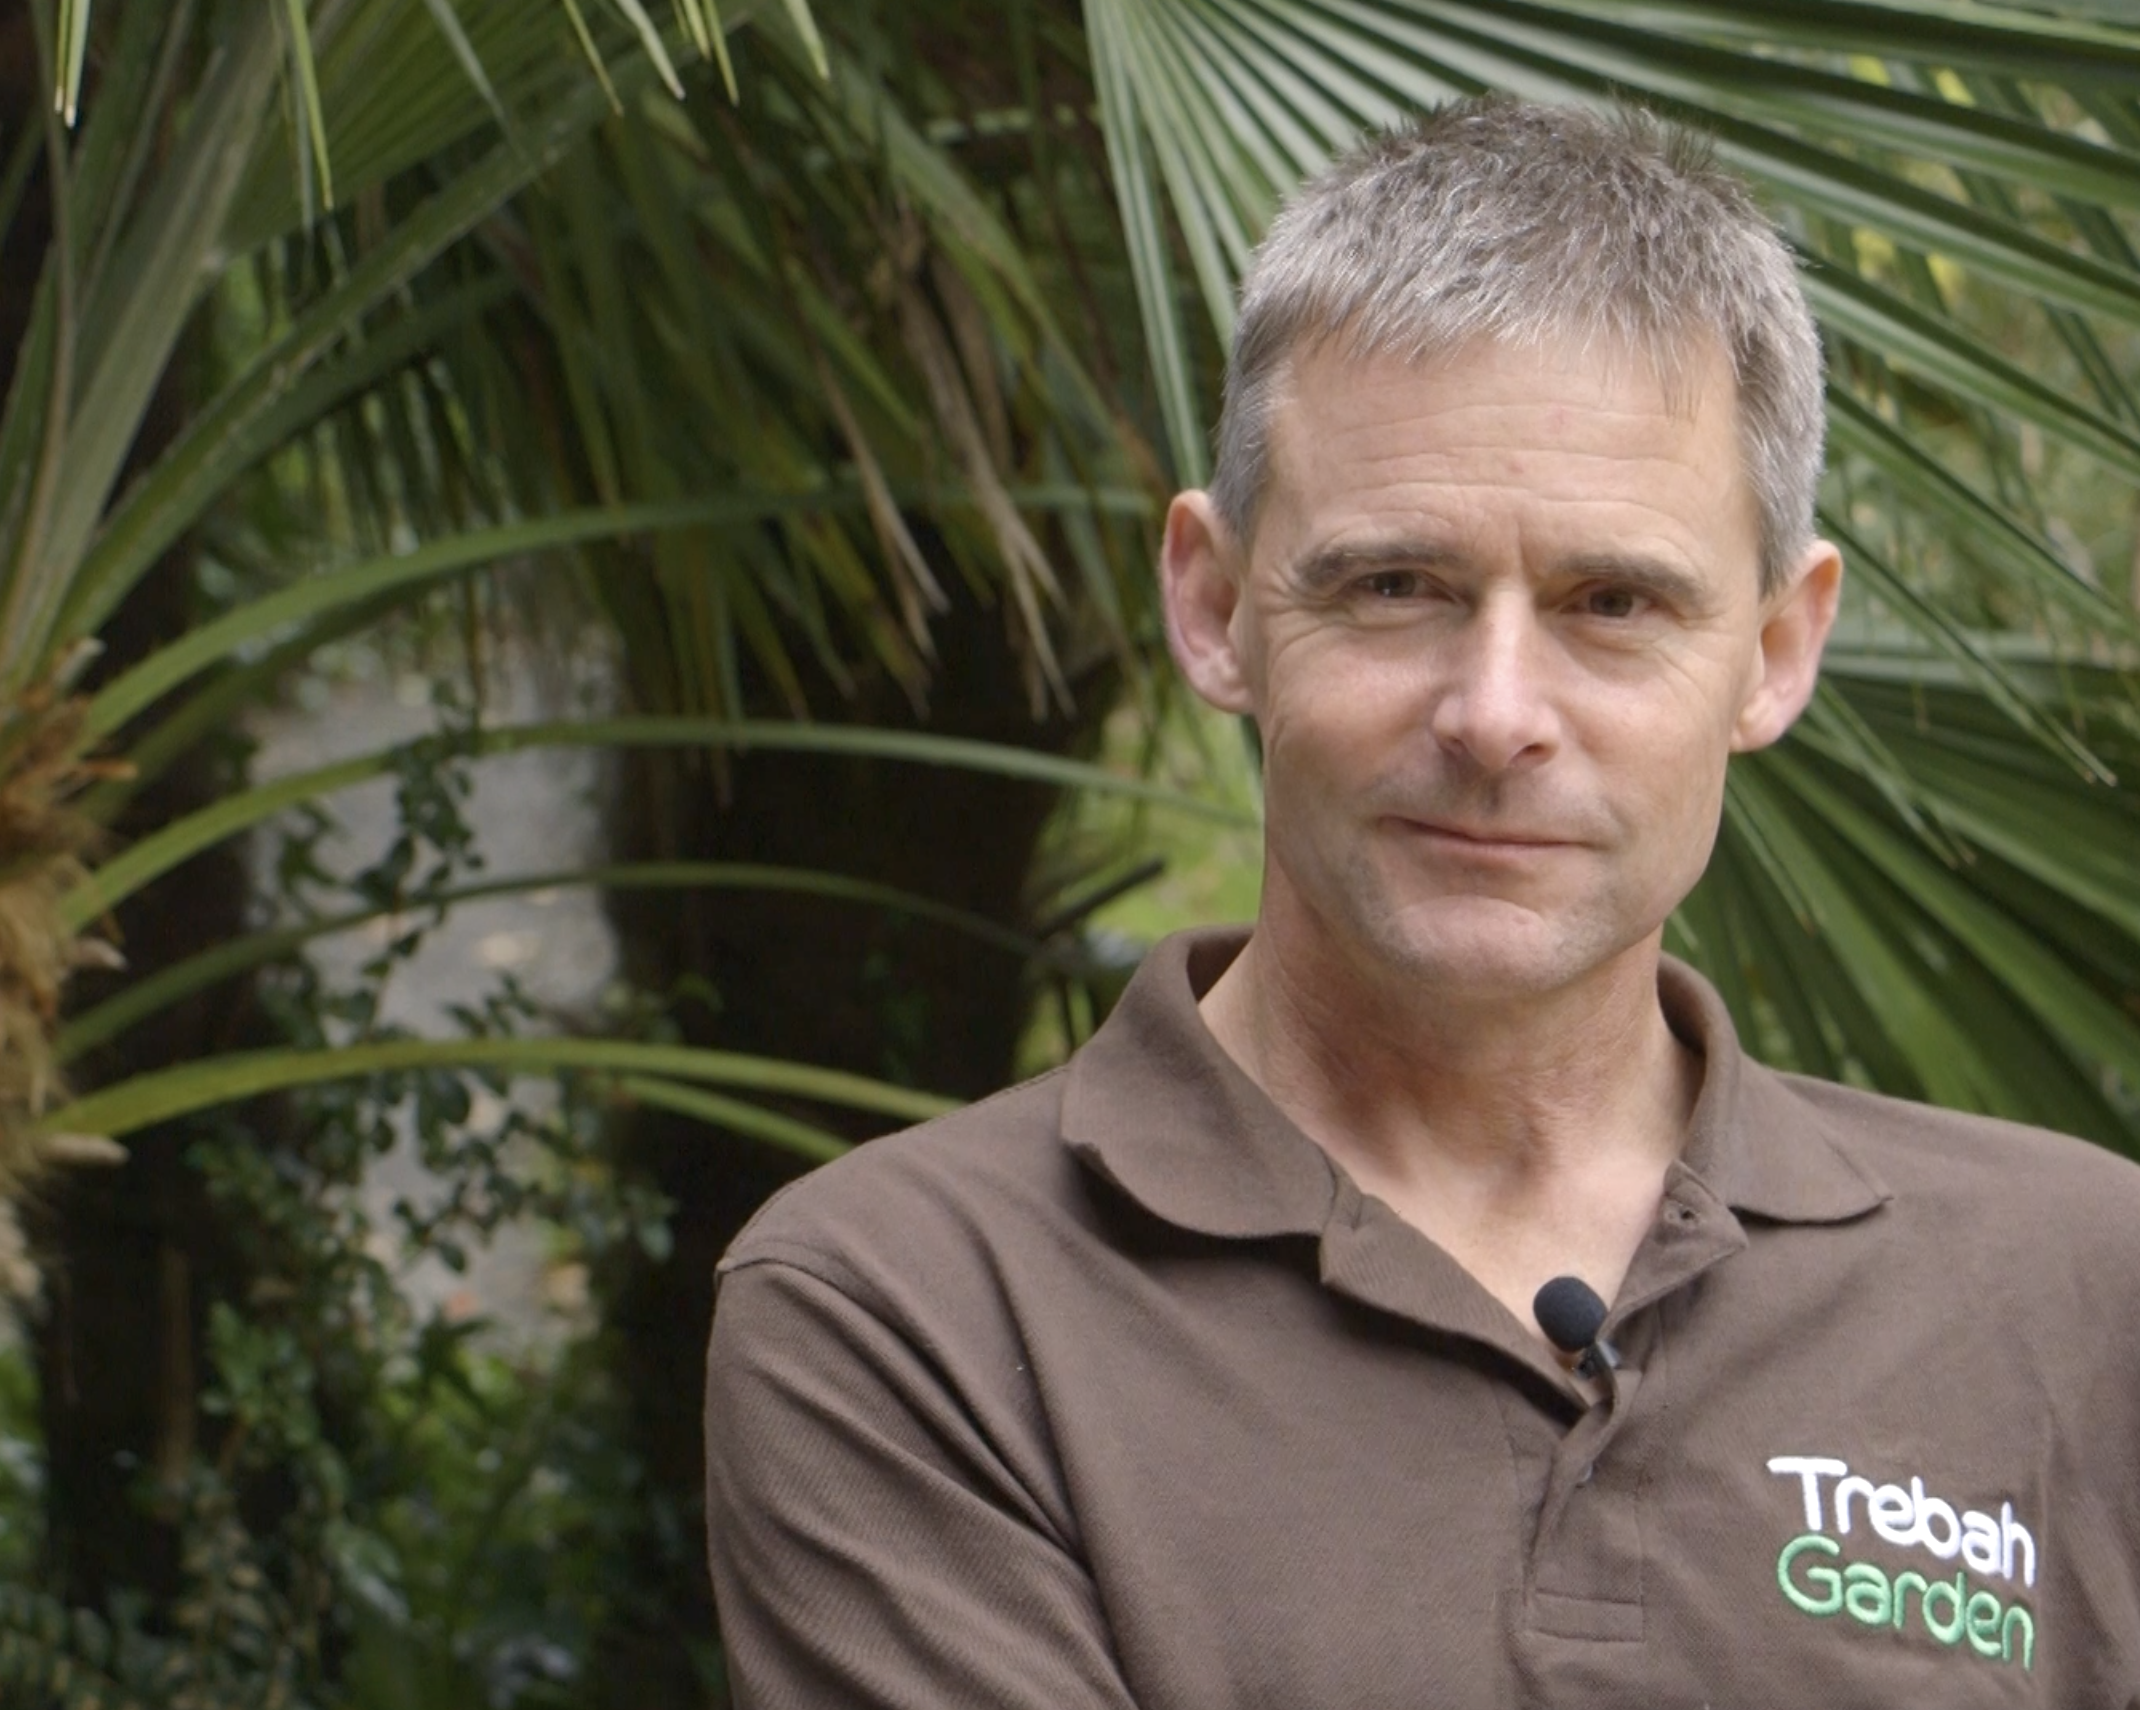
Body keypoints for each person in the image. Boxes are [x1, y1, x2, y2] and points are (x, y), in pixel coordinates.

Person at [703, 96, 2140, 1707]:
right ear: (1215, 605)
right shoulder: (912, 1307)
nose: (1495, 713)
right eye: (1396, 586)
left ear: (1775, 650)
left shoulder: (2082, 1286)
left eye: (1615, 602)